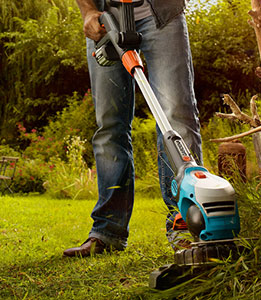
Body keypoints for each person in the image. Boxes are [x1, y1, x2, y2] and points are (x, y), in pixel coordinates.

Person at [63, 0, 202, 257]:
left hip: (162, 14)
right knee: (110, 125)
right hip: (106, 19)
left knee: (176, 118)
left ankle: (186, 224)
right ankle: (107, 231)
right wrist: (88, 11)